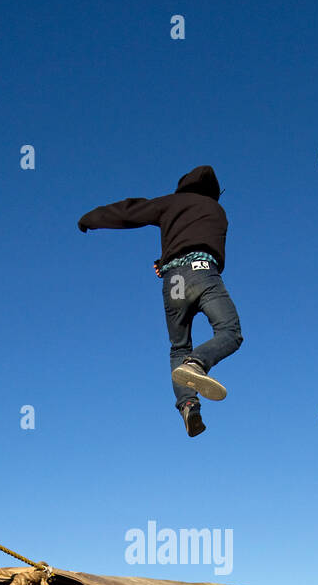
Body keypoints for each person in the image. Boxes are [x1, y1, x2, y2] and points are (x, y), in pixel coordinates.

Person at [78, 165, 242, 438]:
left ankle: (188, 405)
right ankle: (198, 363)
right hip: (204, 275)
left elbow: (132, 211)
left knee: (179, 346)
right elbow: (198, 238)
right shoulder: (218, 212)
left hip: (175, 283)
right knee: (230, 332)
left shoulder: (171, 203)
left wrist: (91, 218)